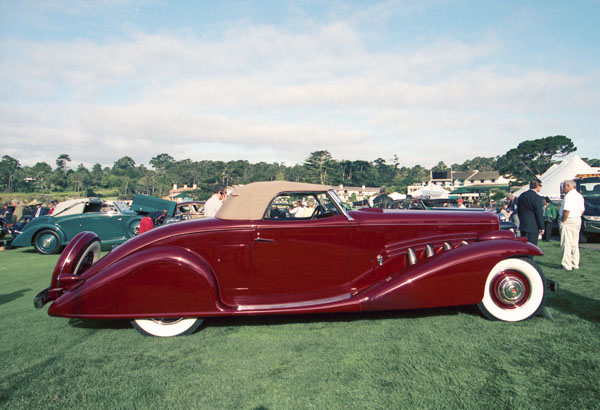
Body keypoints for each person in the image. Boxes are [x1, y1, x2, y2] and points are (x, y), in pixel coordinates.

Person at [559, 180, 585, 270]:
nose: (563, 189)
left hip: (569, 219)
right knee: (574, 242)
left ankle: (566, 264)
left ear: (567, 186)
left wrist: (563, 221)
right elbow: (582, 210)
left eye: (564, 187)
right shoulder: (579, 196)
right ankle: (575, 263)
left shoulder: (568, 196)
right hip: (577, 219)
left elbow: (567, 210)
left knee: (566, 242)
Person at [517, 178, 545, 246]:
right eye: (540, 186)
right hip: (533, 226)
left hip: (523, 224)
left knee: (524, 246)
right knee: (531, 246)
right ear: (537, 186)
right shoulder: (537, 197)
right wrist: (542, 227)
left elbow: (519, 211)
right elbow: (539, 213)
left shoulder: (522, 196)